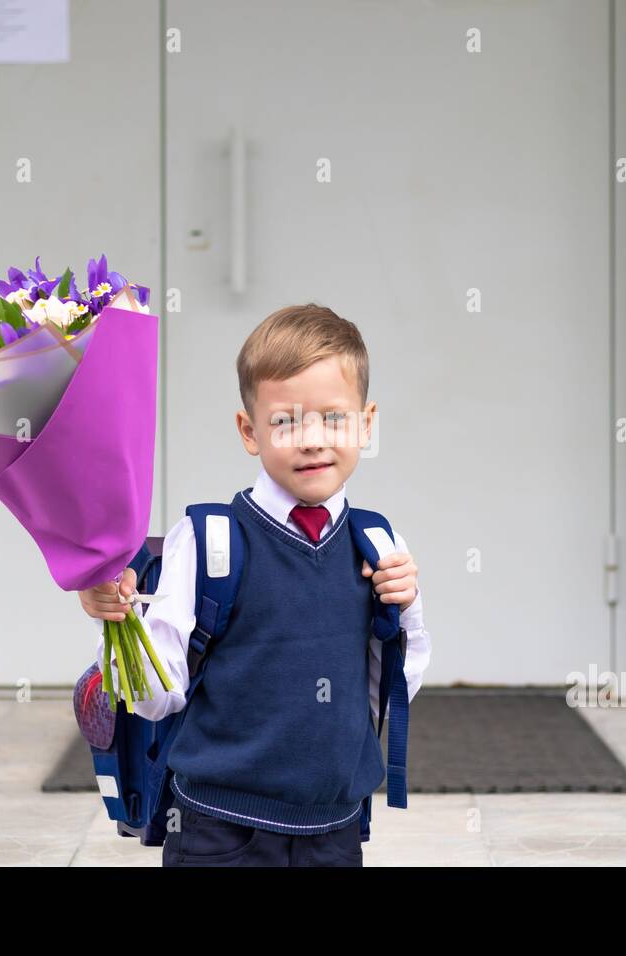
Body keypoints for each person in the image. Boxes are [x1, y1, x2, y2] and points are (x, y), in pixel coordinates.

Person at [78, 303, 431, 866]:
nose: (313, 439)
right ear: (249, 430)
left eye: (333, 418)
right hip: (220, 829)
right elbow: (157, 695)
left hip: (334, 827)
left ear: (366, 423)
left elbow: (392, 689)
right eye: (286, 420)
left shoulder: (379, 542)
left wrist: (406, 609)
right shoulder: (209, 538)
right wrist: (118, 621)